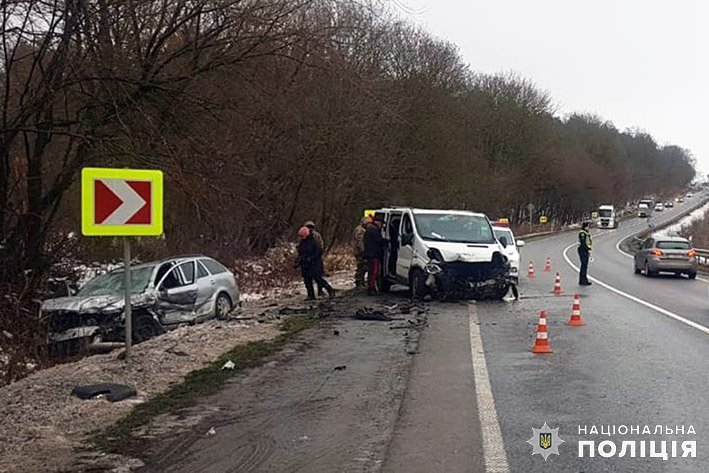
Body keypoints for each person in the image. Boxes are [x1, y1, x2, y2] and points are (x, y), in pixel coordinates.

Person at [295, 226, 335, 300]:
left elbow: (318, 252)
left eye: (302, 236)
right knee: (307, 280)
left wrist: (311, 258)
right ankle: (311, 295)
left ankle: (330, 290)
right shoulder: (302, 243)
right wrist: (298, 262)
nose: (301, 237)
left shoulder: (313, 242)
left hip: (315, 264)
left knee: (318, 279)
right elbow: (300, 254)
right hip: (305, 264)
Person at [363, 216, 386, 295]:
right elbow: (377, 240)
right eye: (381, 223)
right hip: (374, 254)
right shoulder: (374, 230)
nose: (382, 225)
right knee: (374, 272)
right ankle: (371, 288)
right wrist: (385, 241)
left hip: (371, 254)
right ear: (378, 222)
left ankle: (372, 287)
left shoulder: (370, 229)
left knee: (372, 271)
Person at [304, 221, 326, 296]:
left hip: (315, 259)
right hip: (310, 260)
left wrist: (315, 256)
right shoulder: (305, 235)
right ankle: (312, 294)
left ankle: (320, 291)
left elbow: (321, 247)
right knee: (311, 277)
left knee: (317, 276)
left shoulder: (316, 236)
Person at [352, 217, 369, 287]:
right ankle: (358, 281)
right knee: (361, 266)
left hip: (358, 251)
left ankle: (360, 281)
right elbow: (360, 242)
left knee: (362, 267)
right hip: (360, 252)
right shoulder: (360, 231)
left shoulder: (360, 229)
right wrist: (363, 251)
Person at [578, 221, 593, 285]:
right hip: (582, 250)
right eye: (588, 226)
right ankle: (583, 280)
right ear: (585, 227)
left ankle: (584, 280)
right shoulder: (582, 233)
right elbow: (583, 243)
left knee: (584, 265)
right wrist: (587, 249)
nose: (589, 228)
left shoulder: (586, 233)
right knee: (584, 265)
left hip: (584, 250)